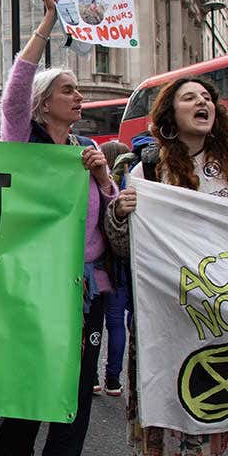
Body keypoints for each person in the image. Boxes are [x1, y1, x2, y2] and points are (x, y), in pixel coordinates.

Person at [0, 0, 117, 456]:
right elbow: (14, 87)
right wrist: (47, 22)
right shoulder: (22, 142)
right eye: (69, 91)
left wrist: (105, 178)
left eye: (80, 92)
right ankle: (12, 452)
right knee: (31, 370)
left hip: (86, 286)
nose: (79, 99)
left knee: (78, 383)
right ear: (43, 104)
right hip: (33, 285)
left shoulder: (88, 151)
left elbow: (108, 217)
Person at [107, 76, 228, 456]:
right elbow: (119, 242)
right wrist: (120, 212)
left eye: (207, 98)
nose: (202, 103)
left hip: (221, 304)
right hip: (163, 306)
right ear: (170, 113)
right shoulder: (147, 169)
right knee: (158, 387)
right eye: (190, 98)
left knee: (217, 386)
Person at [94, 139, 132, 397]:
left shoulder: (98, 185)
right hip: (122, 265)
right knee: (117, 324)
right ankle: (114, 380)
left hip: (100, 263)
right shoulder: (135, 183)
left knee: (95, 323)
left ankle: (93, 377)